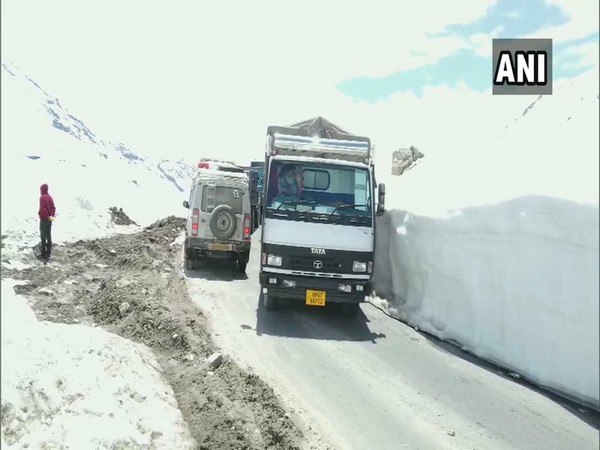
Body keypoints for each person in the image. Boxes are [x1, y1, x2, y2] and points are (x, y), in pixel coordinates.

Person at [38, 183, 56, 261]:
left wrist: (41, 215)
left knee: (43, 235)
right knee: (48, 233)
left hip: (44, 219)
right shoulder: (50, 197)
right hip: (50, 219)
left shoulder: (42, 197)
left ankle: (43, 252)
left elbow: (43, 209)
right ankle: (49, 249)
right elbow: (53, 208)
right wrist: (51, 216)